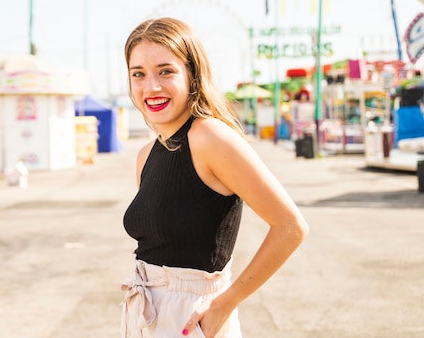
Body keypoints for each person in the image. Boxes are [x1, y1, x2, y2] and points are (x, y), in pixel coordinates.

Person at [120, 17, 309, 338]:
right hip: (144, 312)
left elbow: (290, 227)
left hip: (190, 317)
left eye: (166, 71)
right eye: (138, 74)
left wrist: (224, 303)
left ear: (192, 74)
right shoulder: (146, 154)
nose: (150, 86)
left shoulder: (210, 137)